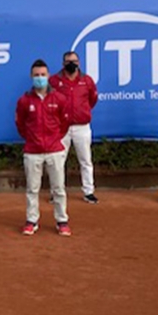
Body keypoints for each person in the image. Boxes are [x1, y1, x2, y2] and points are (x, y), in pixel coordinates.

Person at [15, 59, 71, 236]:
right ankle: (32, 220)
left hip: (55, 150)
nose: (40, 78)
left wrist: (54, 139)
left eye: (43, 75)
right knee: (32, 188)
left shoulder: (60, 99)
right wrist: (32, 140)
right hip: (32, 151)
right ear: (31, 77)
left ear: (48, 76)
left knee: (59, 188)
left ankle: (62, 220)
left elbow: (64, 124)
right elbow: (20, 125)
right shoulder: (24, 101)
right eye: (36, 75)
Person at [49, 51, 100, 204]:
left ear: (79, 62)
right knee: (58, 161)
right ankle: (56, 192)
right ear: (63, 63)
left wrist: (81, 112)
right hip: (61, 128)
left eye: (74, 61)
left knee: (85, 160)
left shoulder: (87, 80)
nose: (72, 63)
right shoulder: (54, 81)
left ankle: (88, 191)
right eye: (68, 61)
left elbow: (92, 100)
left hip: (82, 127)